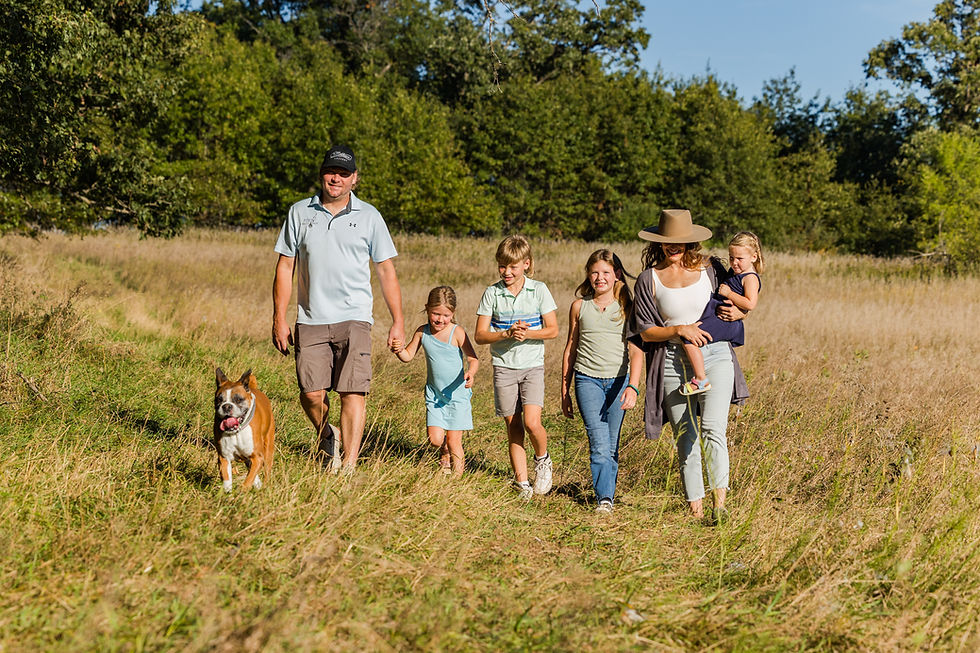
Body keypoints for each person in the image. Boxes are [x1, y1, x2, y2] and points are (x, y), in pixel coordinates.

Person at [272, 145, 404, 474]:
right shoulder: (299, 213)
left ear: (355, 179)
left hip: (355, 318)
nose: (336, 178)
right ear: (322, 174)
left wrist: (398, 321)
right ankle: (326, 433)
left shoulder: (370, 217)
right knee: (311, 393)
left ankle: (348, 464)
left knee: (352, 391)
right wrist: (279, 317)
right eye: (332, 172)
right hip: (311, 318)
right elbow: (285, 266)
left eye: (344, 174)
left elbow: (386, 271)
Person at [628, 209, 750, 524]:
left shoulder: (712, 269)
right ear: (659, 243)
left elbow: (739, 299)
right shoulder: (648, 279)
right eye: (668, 242)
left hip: (716, 355)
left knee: (713, 429)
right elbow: (644, 330)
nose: (675, 246)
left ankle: (719, 507)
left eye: (681, 241)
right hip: (671, 358)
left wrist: (741, 315)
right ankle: (694, 510)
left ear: (690, 242)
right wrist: (678, 330)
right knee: (686, 435)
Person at [560, 250, 644, 514]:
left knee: (611, 443)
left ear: (616, 275)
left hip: (619, 382)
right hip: (587, 380)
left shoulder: (627, 307)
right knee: (598, 442)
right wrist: (565, 388)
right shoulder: (579, 306)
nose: (600, 278)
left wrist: (633, 385)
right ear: (588, 274)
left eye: (606, 272)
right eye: (595, 272)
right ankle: (604, 500)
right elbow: (570, 348)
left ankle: (606, 491)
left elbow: (636, 350)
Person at [475, 235, 559, 498]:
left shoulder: (539, 290)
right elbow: (479, 335)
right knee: (513, 426)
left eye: (512, 266)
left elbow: (553, 329)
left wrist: (528, 333)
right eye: (502, 266)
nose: (506, 272)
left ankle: (543, 460)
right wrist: (505, 334)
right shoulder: (492, 293)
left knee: (533, 423)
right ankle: (522, 483)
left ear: (526, 264)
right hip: (503, 366)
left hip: (532, 365)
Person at [390, 286, 479, 477]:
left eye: (445, 315)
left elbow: (473, 358)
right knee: (435, 439)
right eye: (435, 314)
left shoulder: (457, 332)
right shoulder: (423, 333)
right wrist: (398, 350)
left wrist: (471, 372)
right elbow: (407, 356)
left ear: (452, 314)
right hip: (435, 395)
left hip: (457, 395)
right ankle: (443, 451)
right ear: (427, 309)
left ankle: (457, 478)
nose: (440, 319)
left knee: (455, 441)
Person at [679, 231, 764, 395]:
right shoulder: (736, 272)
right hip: (717, 314)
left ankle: (700, 379)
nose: (734, 262)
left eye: (740, 258)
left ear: (754, 257)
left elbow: (750, 303)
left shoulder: (750, 278)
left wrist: (729, 294)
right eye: (732, 257)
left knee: (688, 337)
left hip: (724, 320)